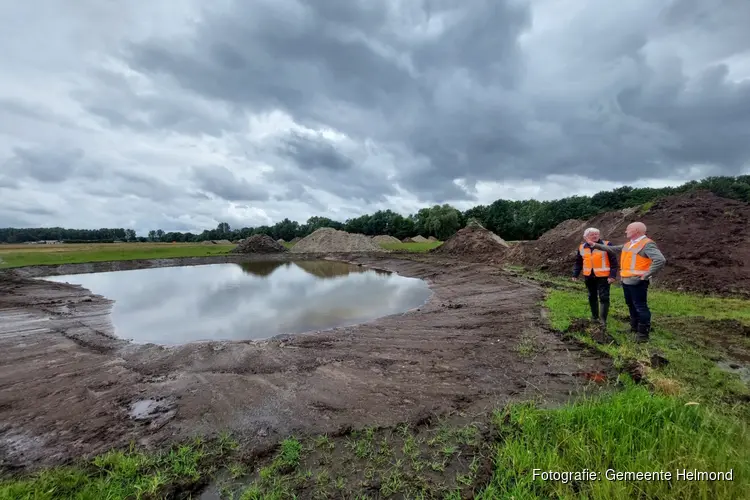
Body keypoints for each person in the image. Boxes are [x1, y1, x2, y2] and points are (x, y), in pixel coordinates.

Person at [594, 222, 666, 343]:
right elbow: (613, 249)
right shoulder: (629, 244)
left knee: (640, 306)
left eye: (628, 229)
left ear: (636, 231)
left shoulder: (647, 244)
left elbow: (660, 260)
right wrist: (595, 245)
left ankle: (643, 335)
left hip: (638, 281)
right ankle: (634, 328)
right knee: (631, 305)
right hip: (627, 280)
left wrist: (647, 274)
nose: (625, 231)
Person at [572, 227, 617, 327]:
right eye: (592, 235)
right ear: (586, 237)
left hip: (603, 277)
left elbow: (614, 261)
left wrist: (612, 275)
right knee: (592, 296)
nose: (595, 236)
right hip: (589, 276)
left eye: (597, 234)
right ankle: (594, 317)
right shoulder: (582, 247)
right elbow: (578, 262)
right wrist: (575, 274)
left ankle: (603, 320)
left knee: (604, 297)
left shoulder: (606, 245)